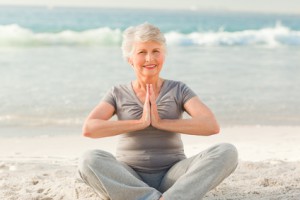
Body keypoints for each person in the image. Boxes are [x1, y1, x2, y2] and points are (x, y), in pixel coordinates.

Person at [78, 23, 238, 200]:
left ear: (163, 55)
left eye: (156, 51)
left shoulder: (178, 89)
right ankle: (150, 197)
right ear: (130, 59)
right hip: (129, 178)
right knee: (89, 159)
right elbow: (90, 128)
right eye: (142, 52)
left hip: (174, 176)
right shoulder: (118, 93)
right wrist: (141, 122)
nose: (150, 58)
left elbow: (210, 125)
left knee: (227, 151)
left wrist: (161, 122)